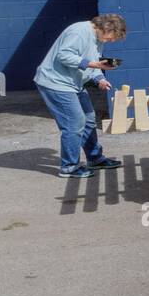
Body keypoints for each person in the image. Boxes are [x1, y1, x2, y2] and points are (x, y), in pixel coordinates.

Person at [34, 14, 127, 178]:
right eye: (113, 37)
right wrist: (92, 64)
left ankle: (95, 158)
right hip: (55, 82)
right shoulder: (79, 31)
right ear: (106, 27)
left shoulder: (98, 38)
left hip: (73, 83)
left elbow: (95, 61)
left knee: (89, 118)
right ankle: (69, 167)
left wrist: (100, 79)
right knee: (74, 122)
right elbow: (63, 56)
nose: (112, 41)